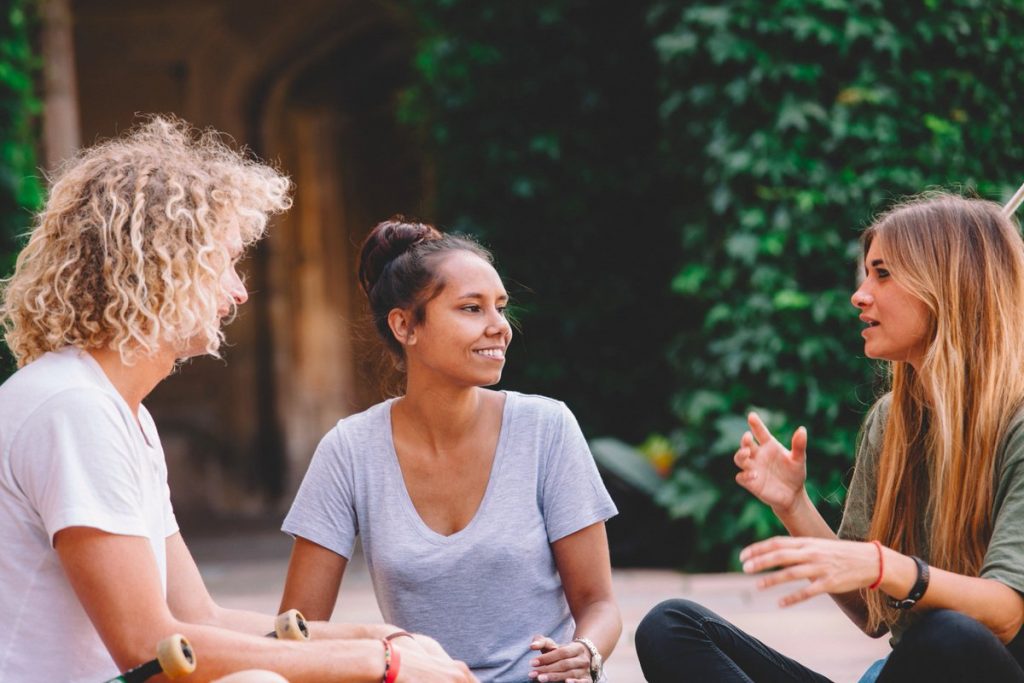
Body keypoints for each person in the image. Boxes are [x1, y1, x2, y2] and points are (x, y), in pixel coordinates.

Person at [0, 117, 475, 683]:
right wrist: (376, 665)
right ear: (161, 268)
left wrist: (375, 637)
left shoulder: (116, 410)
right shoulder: (72, 410)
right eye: (224, 262)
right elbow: (149, 648)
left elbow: (199, 617)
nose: (239, 290)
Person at [635, 193, 1024, 682]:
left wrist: (887, 565)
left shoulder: (1018, 422)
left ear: (949, 287)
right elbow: (871, 612)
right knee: (671, 625)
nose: (860, 295)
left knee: (951, 634)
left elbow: (1007, 613)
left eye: (882, 274)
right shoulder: (892, 420)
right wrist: (794, 505)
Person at [279, 219, 622, 683]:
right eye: (471, 308)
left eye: (500, 308)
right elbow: (298, 630)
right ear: (405, 325)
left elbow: (599, 605)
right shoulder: (350, 451)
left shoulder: (547, 429)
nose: (500, 327)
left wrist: (585, 652)